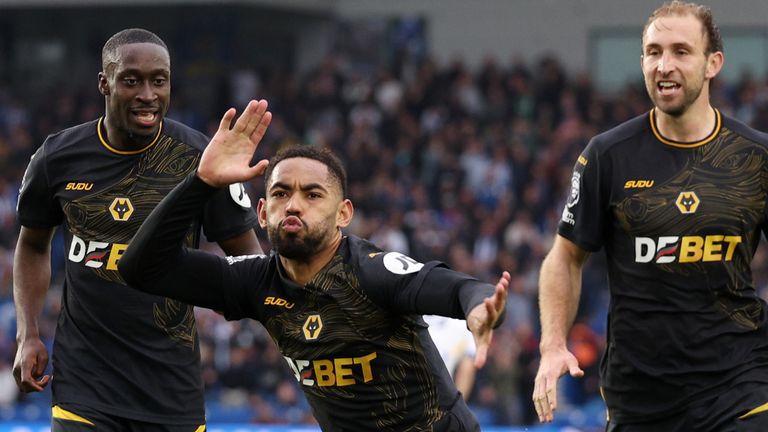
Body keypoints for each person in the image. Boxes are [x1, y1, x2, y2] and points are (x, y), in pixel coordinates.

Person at [118, 99, 511, 431]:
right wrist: (201, 182)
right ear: (262, 212)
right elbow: (140, 267)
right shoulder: (254, 281)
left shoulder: (371, 271)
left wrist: (479, 308)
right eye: (280, 193)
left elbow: (459, 288)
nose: (293, 204)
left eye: (312, 194)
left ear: (344, 213)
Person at [533, 2, 768, 431]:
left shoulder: (756, 157)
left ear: (713, 63)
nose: (665, 65)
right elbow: (565, 258)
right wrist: (552, 345)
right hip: (639, 399)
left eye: (681, 51)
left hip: (741, 387)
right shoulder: (607, 156)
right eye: (654, 51)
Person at [13, 28, 262, 431]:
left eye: (158, 80)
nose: (148, 94)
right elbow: (33, 245)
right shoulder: (57, 157)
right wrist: (28, 334)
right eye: (132, 80)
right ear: (104, 83)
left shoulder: (200, 159)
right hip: (85, 384)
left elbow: (250, 263)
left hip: (171, 390)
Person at [423, 314, 477, 399]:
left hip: (437, 400)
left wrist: (455, 408)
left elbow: (466, 371)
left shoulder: (460, 325)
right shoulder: (402, 315)